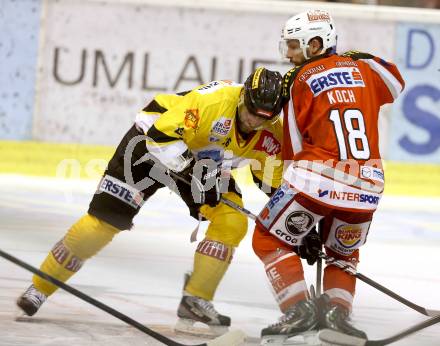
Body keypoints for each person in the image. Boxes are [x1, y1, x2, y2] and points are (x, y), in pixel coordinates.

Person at [16, 67, 285, 336]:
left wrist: (296, 221)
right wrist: (195, 174)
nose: (254, 122)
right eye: (251, 111)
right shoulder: (212, 101)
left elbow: (273, 183)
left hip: (203, 164)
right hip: (146, 146)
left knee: (232, 221)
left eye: (264, 118)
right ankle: (40, 288)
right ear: (242, 98)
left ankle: (195, 300)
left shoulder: (272, 129)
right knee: (101, 225)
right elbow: (160, 138)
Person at [252, 9, 405, 345]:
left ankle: (298, 312)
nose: (288, 53)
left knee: (267, 237)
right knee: (343, 253)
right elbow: (396, 82)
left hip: (317, 177)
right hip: (368, 182)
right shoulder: (365, 69)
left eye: (294, 45)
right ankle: (338, 318)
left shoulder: (298, 79)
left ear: (316, 43)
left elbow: (293, 147)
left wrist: (295, 214)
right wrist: (356, 58)